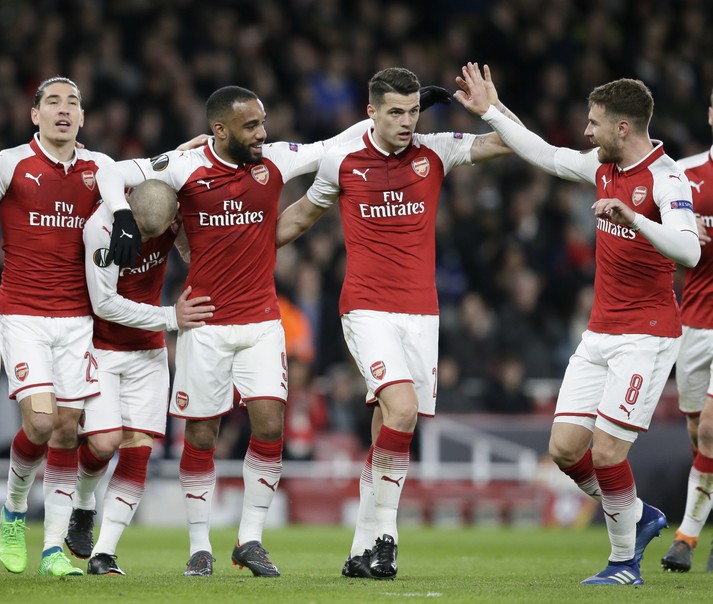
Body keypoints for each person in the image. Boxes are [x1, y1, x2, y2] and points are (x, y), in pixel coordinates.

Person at [96, 85, 370, 577]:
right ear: (220, 130)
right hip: (206, 323)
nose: (262, 133)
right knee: (201, 434)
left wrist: (386, 122)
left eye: (263, 122)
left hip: (263, 322)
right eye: (251, 126)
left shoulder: (276, 161)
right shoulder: (183, 168)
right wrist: (121, 214)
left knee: (269, 425)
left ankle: (250, 540)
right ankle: (200, 545)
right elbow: (112, 173)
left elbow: (335, 144)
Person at [456, 62, 701, 585]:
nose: (586, 131)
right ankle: (639, 516)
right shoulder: (602, 166)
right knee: (566, 449)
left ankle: (622, 562)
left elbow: (690, 249)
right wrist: (492, 111)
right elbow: (546, 154)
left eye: (594, 123)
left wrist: (634, 218)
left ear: (622, 128)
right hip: (599, 334)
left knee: (609, 451)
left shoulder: (667, 179)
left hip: (648, 335)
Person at [275, 67, 514, 579]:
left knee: (390, 425)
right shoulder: (341, 160)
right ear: (371, 112)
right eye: (395, 112)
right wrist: (234, 255)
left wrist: (489, 107)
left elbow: (509, 144)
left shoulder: (436, 150)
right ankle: (387, 537)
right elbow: (296, 218)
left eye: (412, 111)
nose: (407, 122)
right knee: (401, 409)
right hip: (365, 307)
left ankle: (361, 549)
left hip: (422, 314)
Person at [0, 76, 114, 577]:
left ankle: (53, 549)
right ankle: (15, 507)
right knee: (39, 423)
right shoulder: (9, 163)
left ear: (83, 117)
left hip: (77, 318)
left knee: (66, 429)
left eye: (74, 103)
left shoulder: (99, 168)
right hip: (21, 314)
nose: (64, 110)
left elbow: (150, 177)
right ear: (34, 114)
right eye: (53, 102)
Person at [63, 179, 215, 576]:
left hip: (148, 351)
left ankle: (105, 552)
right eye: (142, 231)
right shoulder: (101, 228)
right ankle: (82, 502)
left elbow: (174, 166)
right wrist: (169, 317)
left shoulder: (173, 217)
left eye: (156, 233)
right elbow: (105, 304)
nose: (147, 240)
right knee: (103, 442)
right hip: (102, 345)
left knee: (138, 448)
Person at [661, 88, 713, 573]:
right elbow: (655, 232)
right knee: (699, 432)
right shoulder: (684, 174)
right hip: (695, 321)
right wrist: (681, 232)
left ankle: (687, 538)